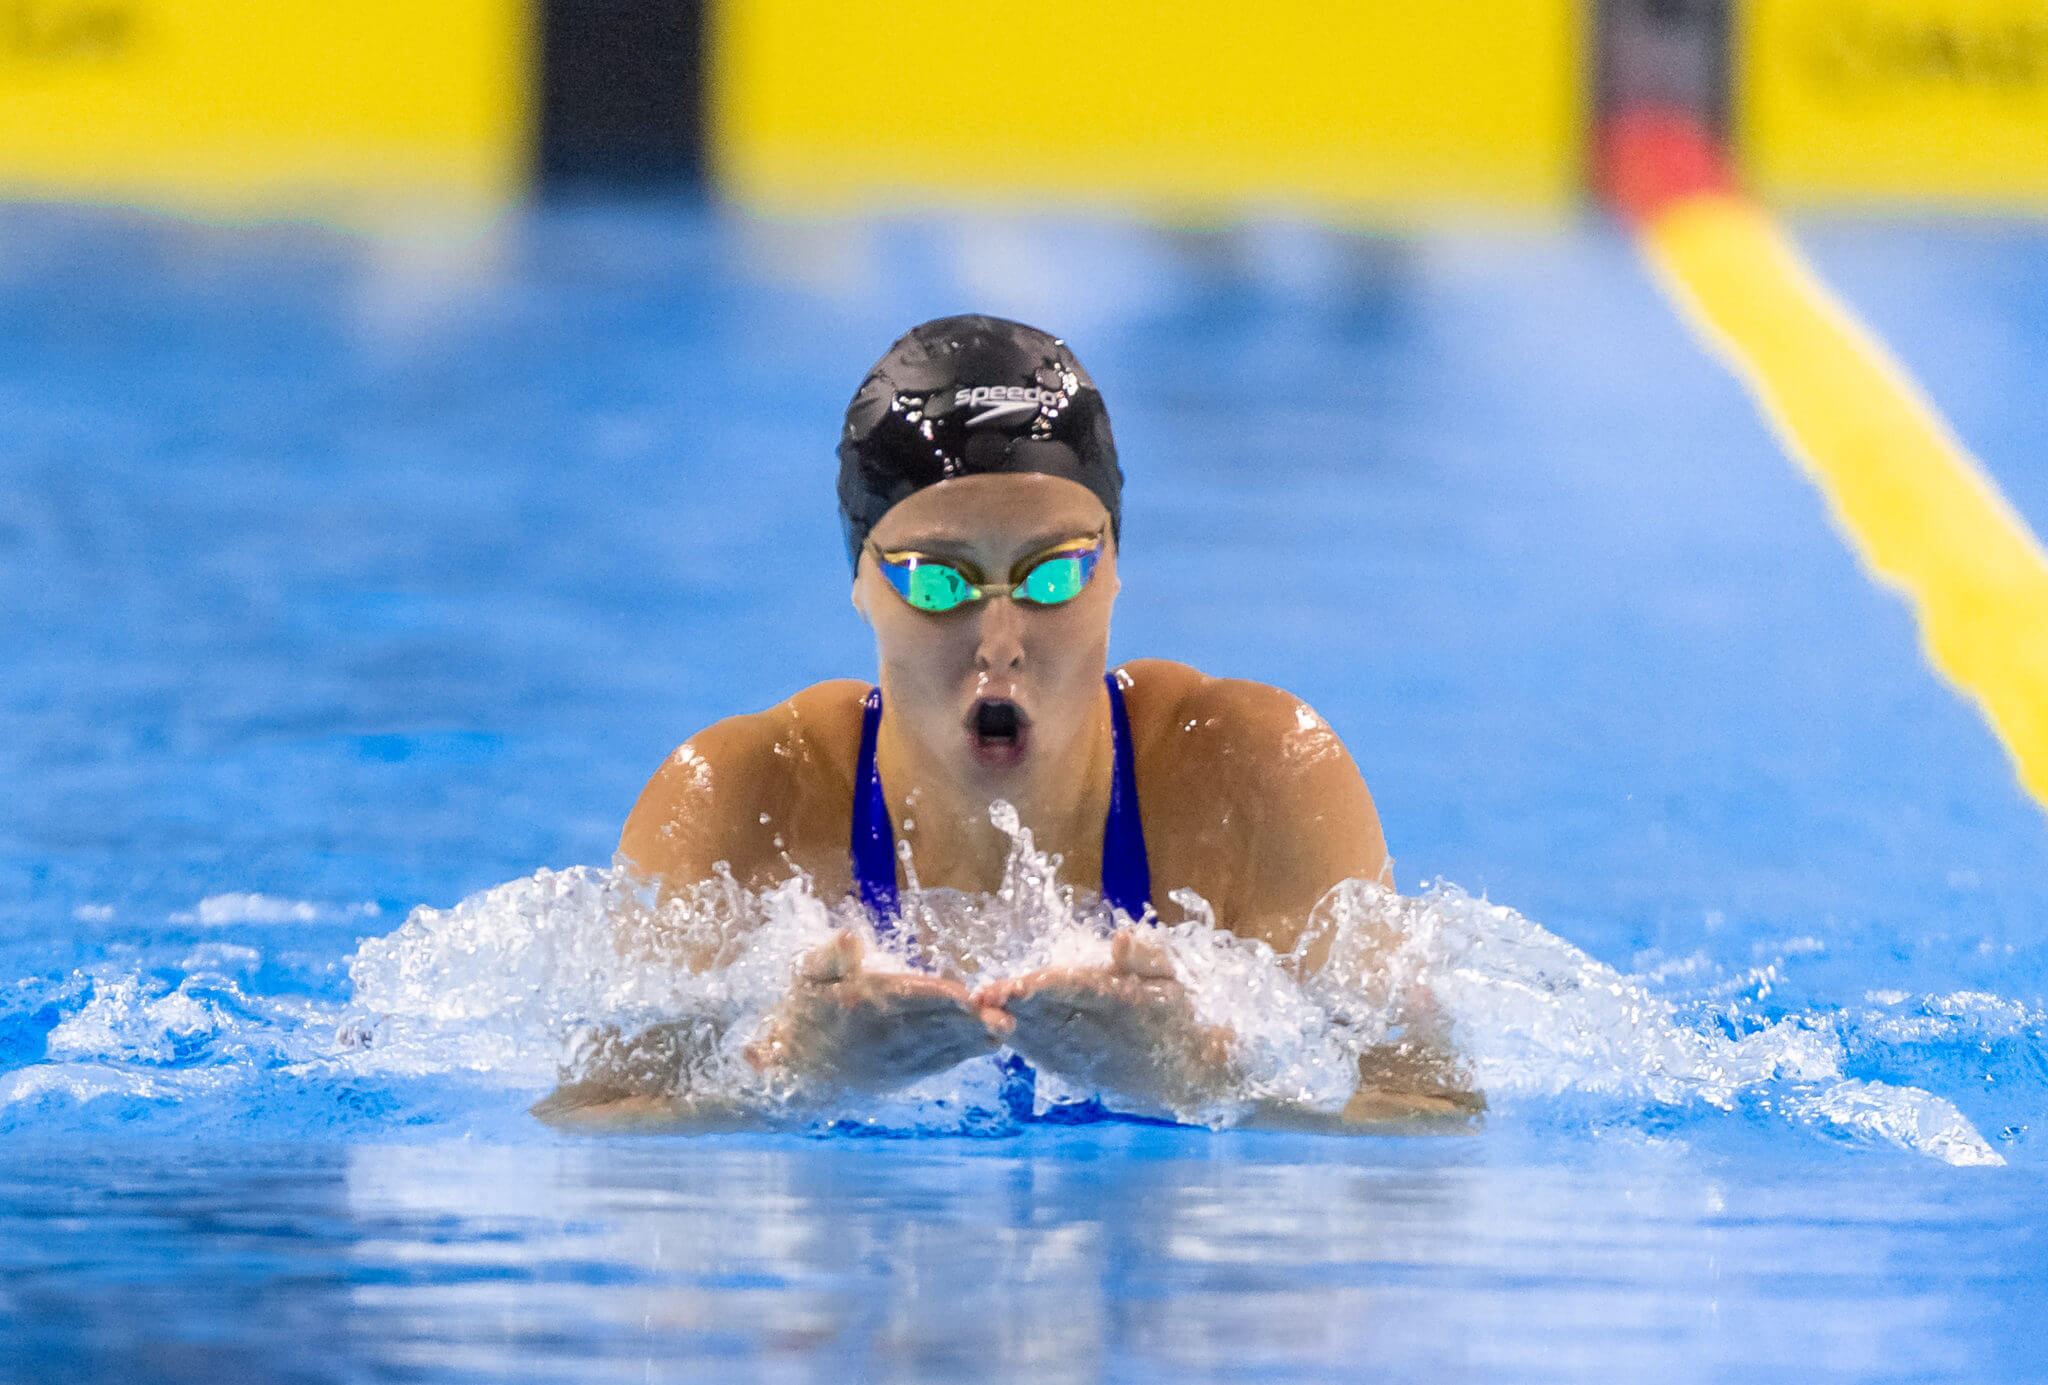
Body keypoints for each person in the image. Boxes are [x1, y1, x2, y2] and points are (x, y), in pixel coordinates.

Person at [540, 314, 1479, 1129]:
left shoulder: (1257, 777)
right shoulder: (741, 804)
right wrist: (794, 1074)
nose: (1000, 640)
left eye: (1053, 573)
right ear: (861, 582)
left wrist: (1196, 1076)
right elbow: (594, 1124)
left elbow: (1434, 1119)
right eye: (938, 581)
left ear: (1115, 567)